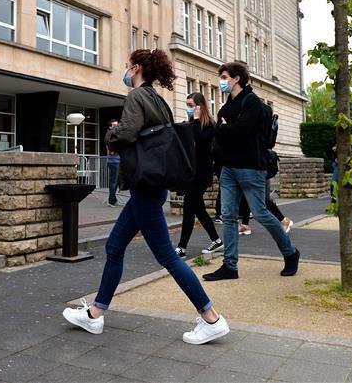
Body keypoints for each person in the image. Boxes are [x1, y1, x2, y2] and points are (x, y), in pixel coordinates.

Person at [62, 49, 229, 345]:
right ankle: (96, 315)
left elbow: (126, 133)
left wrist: (109, 136)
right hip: (151, 183)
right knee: (114, 246)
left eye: (127, 66)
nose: (125, 71)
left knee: (166, 255)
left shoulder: (137, 97)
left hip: (146, 186)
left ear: (137, 68)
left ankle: (211, 318)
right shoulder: (157, 99)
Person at [203, 61, 299, 281]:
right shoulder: (226, 106)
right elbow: (222, 132)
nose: (222, 81)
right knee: (227, 216)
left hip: (250, 167)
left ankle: (290, 253)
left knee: (262, 213)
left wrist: (226, 128)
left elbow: (241, 130)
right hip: (228, 168)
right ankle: (230, 266)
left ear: (237, 78)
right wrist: (226, 128)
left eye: (225, 77)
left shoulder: (252, 101)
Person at [175, 93, 223, 257]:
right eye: (187, 104)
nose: (188, 108)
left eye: (190, 105)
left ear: (199, 106)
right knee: (198, 209)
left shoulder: (209, 124)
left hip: (202, 174)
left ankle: (182, 248)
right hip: (192, 173)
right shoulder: (192, 124)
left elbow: (201, 140)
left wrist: (195, 120)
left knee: (189, 208)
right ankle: (216, 240)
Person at [105, 119, 122, 207]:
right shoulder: (110, 135)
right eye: (114, 125)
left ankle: (112, 199)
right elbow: (111, 151)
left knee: (115, 182)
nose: (116, 126)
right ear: (110, 127)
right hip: (114, 161)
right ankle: (111, 201)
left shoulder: (114, 135)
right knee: (113, 182)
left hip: (117, 161)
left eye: (117, 125)